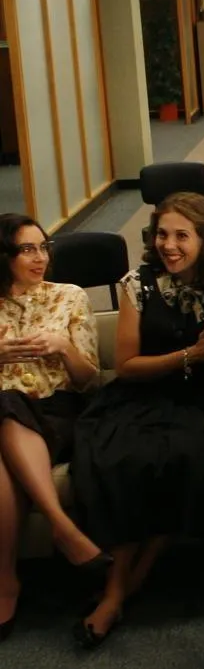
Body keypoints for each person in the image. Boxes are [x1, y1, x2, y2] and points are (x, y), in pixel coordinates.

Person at [72, 194, 204, 649]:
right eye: (161, 234)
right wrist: (192, 353)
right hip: (138, 396)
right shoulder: (138, 284)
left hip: (197, 403)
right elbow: (127, 365)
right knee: (119, 456)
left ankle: (121, 586)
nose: (168, 245)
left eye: (181, 236)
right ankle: (121, 587)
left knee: (181, 455)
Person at [0, 215, 108, 642]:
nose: (40, 257)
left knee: (7, 409)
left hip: (58, 411)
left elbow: (89, 381)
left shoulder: (69, 296)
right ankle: (60, 528)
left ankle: (6, 582)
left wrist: (63, 348)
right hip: (4, 415)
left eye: (43, 247)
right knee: (5, 407)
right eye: (27, 249)